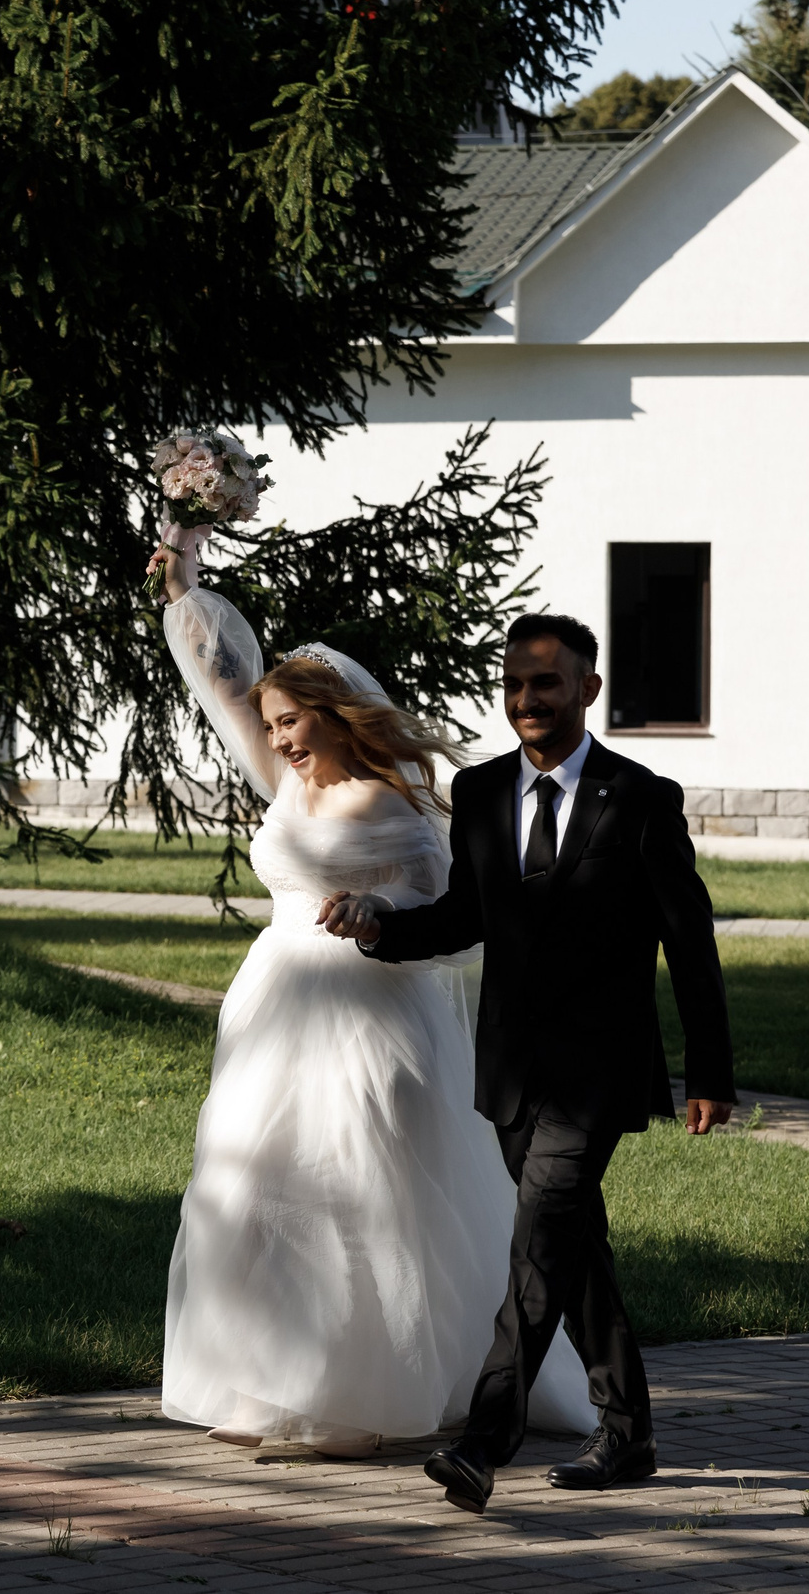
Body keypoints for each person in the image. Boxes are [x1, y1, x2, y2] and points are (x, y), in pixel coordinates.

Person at [149, 526, 595, 1458]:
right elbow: (223, 684)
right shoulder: (286, 781)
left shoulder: (395, 807)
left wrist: (375, 907)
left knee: (353, 1189)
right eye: (270, 728)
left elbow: (442, 908)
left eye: (291, 725)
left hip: (367, 1013)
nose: (276, 740)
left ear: (334, 715)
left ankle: (357, 1401)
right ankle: (272, 1380)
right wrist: (186, 588)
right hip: (274, 1007)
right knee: (256, 1180)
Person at [320, 613, 735, 1515]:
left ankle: (483, 1440)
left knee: (538, 1245)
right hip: (510, 1069)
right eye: (513, 685)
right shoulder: (478, 794)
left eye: (545, 684)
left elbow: (690, 943)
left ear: (588, 688)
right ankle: (628, 1433)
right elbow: (464, 917)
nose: (526, 701)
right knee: (573, 1247)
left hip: (600, 1070)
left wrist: (710, 1070)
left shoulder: (640, 799)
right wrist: (381, 925)